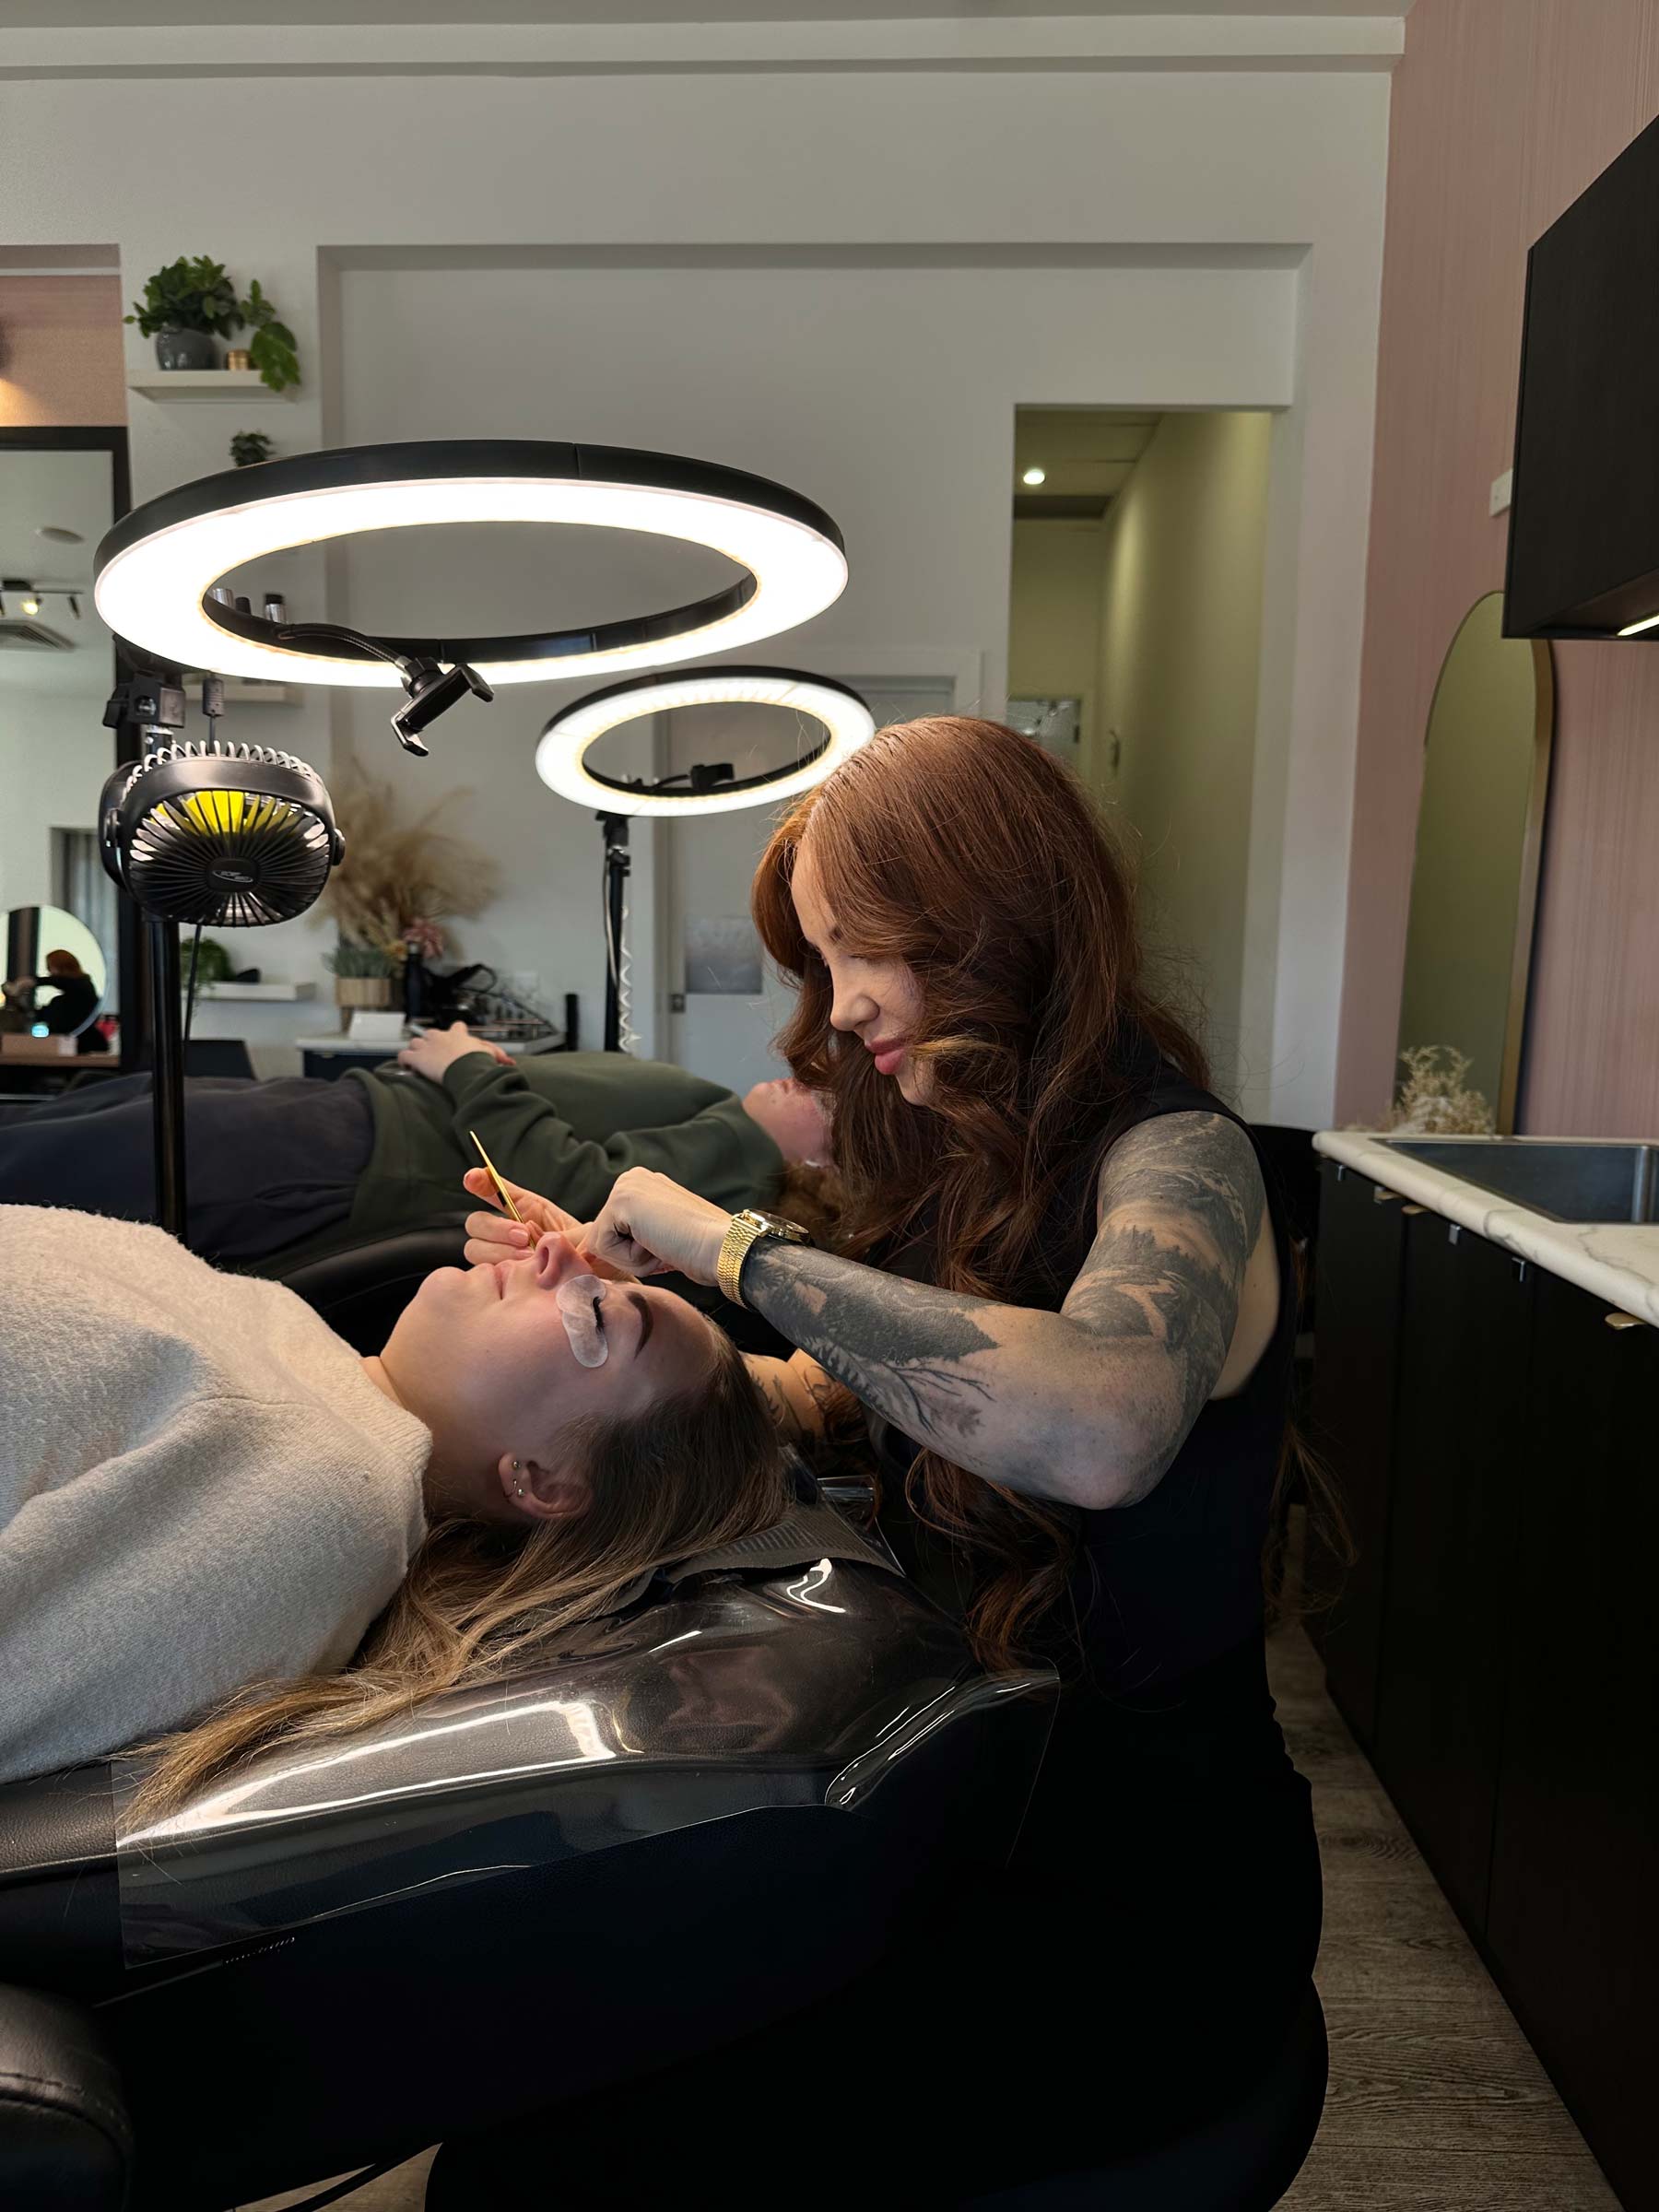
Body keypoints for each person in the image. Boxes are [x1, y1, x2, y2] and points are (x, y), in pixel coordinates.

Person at [442, 717, 1325, 2206]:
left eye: (867, 952)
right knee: (554, 2064)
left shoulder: (1185, 1163)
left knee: (560, 2154)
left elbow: (1098, 1424)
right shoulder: (973, 1172)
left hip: (1139, 1913)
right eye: (823, 962)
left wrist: (731, 1246)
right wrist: (634, 1322)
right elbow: (847, 1400)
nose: (844, 1008)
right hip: (984, 1823)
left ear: (993, 917)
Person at [0, 1200, 784, 1794]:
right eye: (596, 1273)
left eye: (604, 1314)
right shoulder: (297, 1340)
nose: (555, 1249)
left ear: (545, 1479)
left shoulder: (320, 1499)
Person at [0, 1028, 831, 1265]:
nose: (812, 1075)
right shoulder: (731, 1121)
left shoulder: (747, 1167)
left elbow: (575, 1187)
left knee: (51, 1163)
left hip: (353, 1154)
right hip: (354, 1122)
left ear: (831, 1161)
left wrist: (469, 1067)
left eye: (832, 1101)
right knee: (95, 1114)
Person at [2, 948, 103, 1041]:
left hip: (83, 1043)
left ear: (62, 967)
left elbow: (63, 982)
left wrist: (32, 982)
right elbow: (38, 1016)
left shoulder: (82, 987)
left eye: (50, 967)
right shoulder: (60, 1002)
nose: (49, 972)